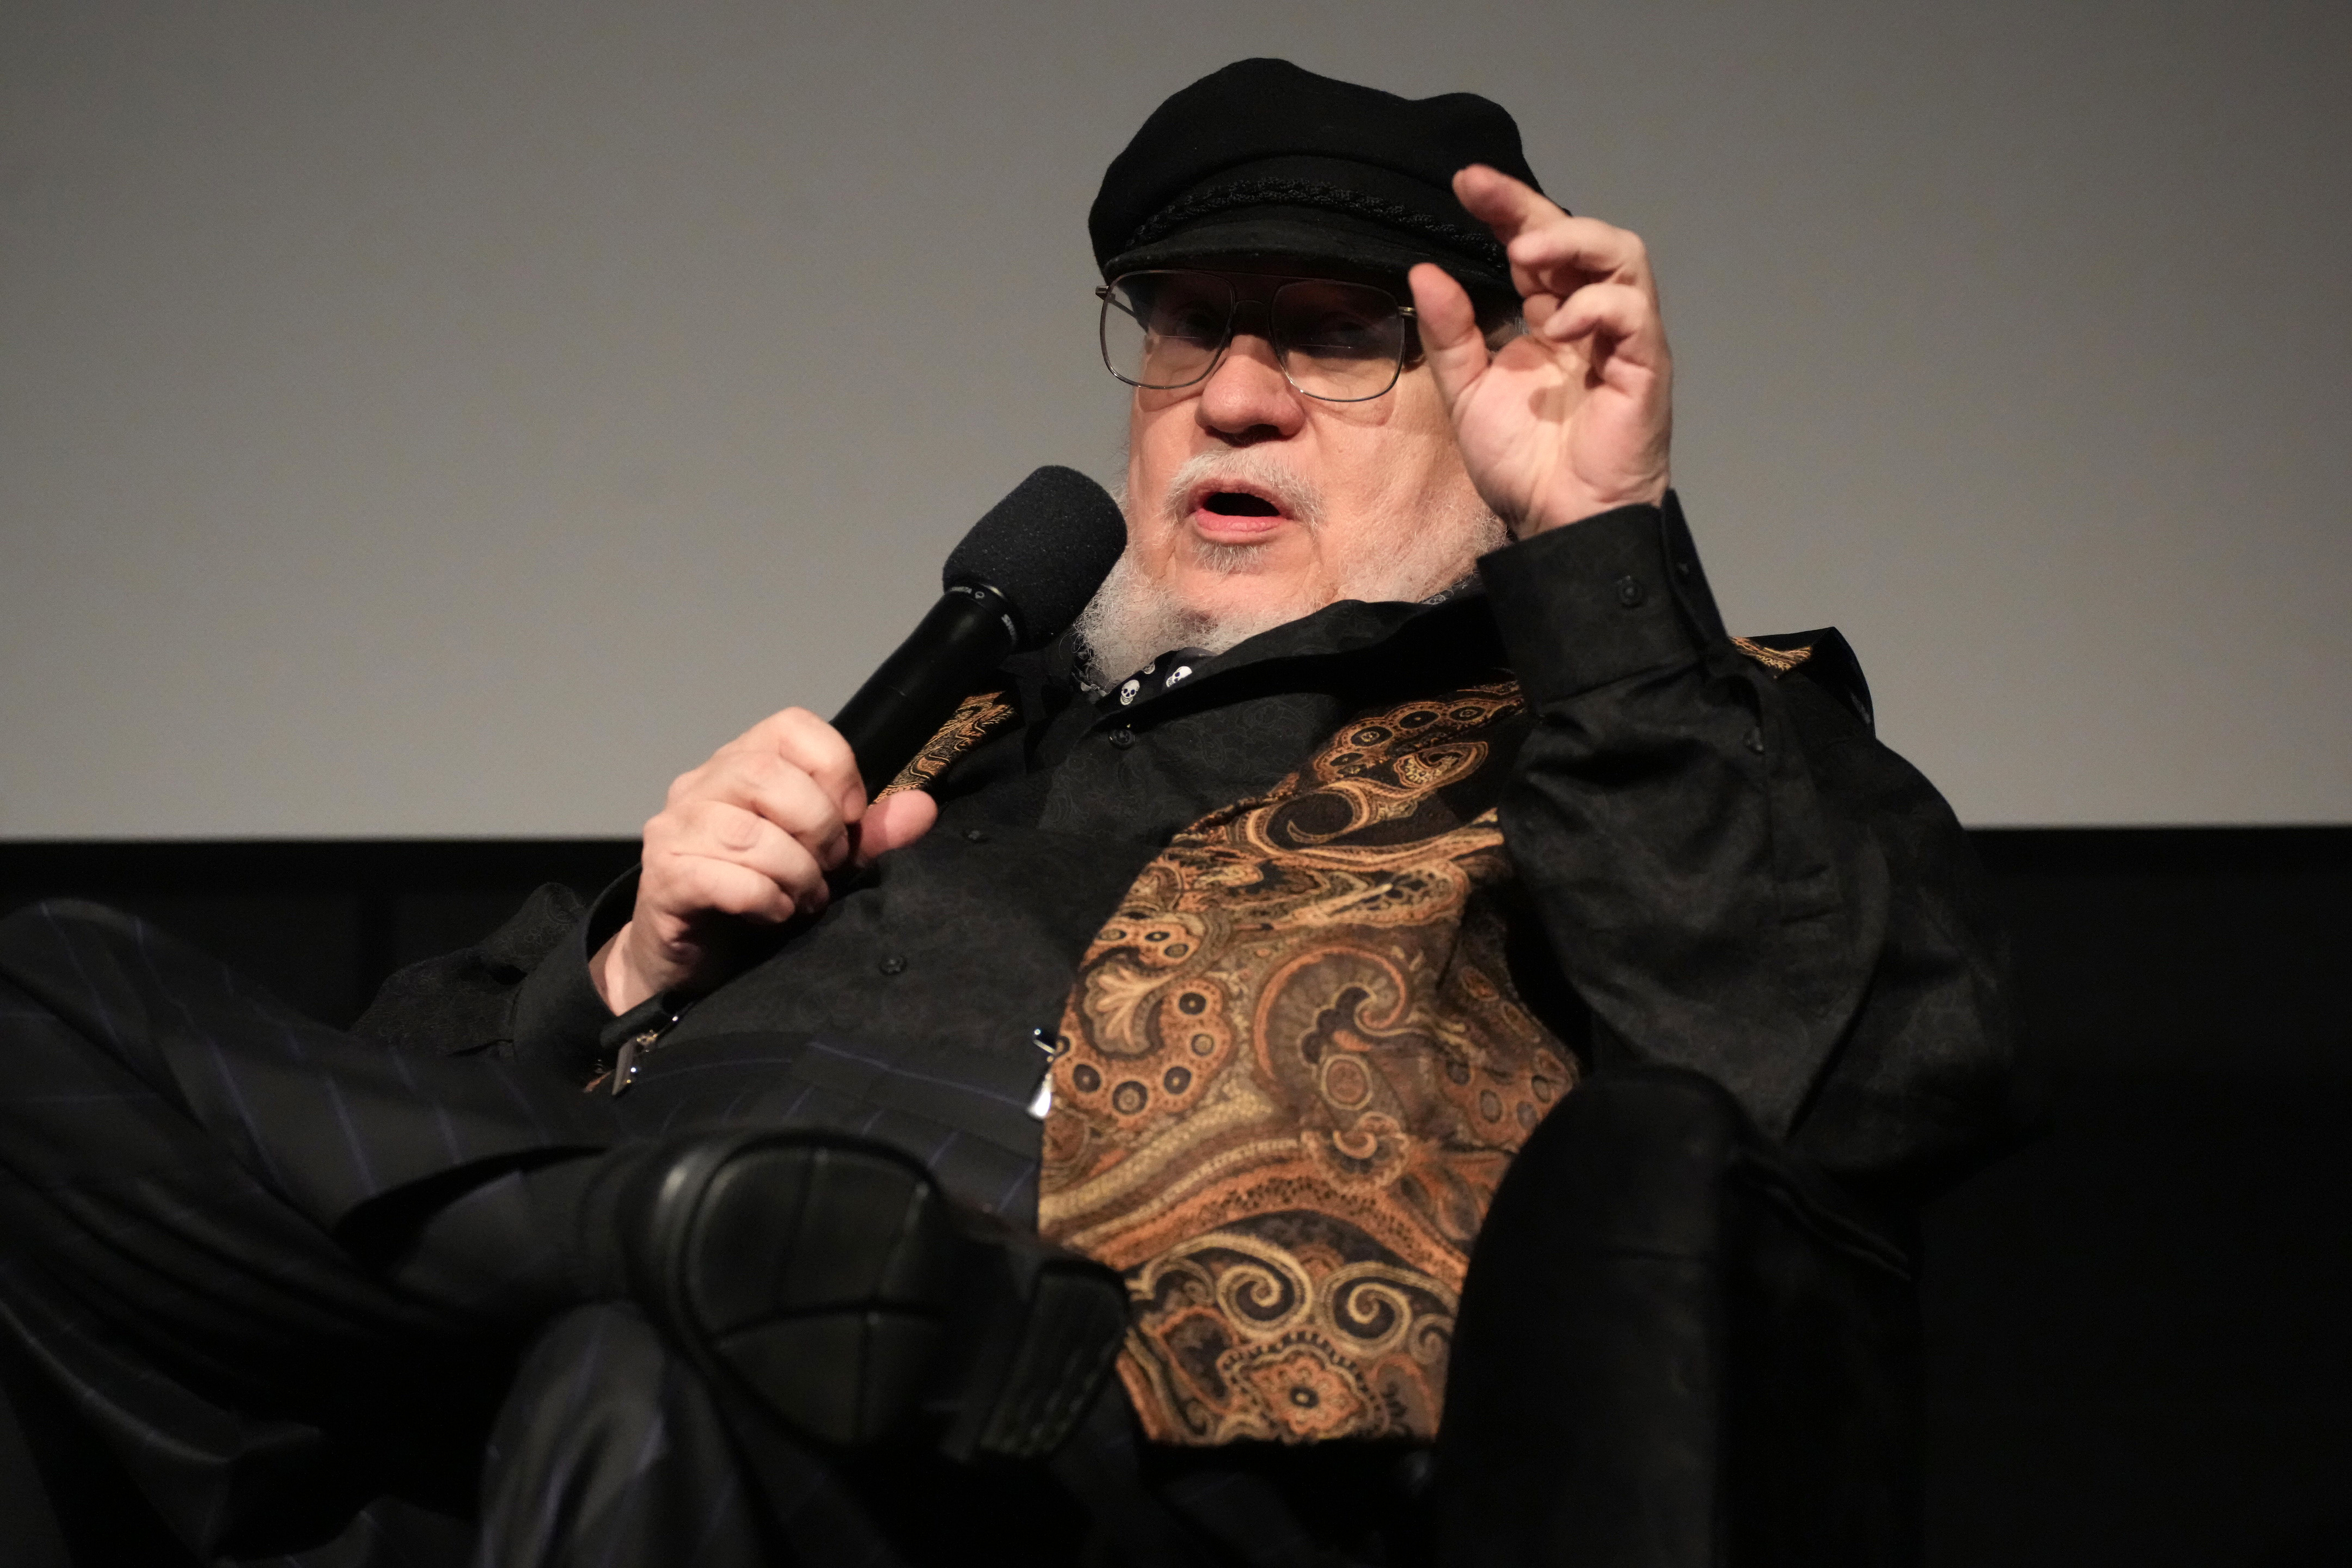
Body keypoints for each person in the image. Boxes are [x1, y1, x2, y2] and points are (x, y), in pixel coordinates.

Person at [0, 58, 2009, 1568]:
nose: (1230, 396)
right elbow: (328, 1134)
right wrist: (619, 967)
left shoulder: (1629, 720)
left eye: (1330, 335)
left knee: (632, 1382)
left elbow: (1835, 1082)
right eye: (1186, 327)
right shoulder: (935, 745)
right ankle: (665, 1239)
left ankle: (701, 1265)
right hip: (621, 1361)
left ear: (1490, 402)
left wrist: (1599, 550)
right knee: (56, 989)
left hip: (1087, 1441)